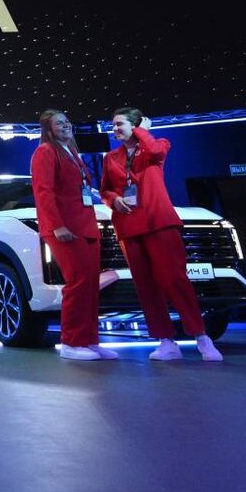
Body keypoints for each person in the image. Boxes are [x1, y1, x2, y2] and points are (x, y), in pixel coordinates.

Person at [101, 108, 222, 361]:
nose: (115, 129)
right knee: (145, 286)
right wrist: (114, 200)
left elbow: (156, 153)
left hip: (159, 222)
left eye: (120, 124)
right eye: (113, 125)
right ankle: (165, 340)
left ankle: (201, 336)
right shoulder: (111, 157)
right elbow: (106, 190)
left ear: (136, 125)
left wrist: (143, 132)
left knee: (175, 279)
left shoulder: (156, 145)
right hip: (129, 226)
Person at [30, 109, 117, 361]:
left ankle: (89, 340)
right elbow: (43, 192)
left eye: (67, 121)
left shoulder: (72, 153)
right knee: (78, 282)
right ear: (48, 130)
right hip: (65, 228)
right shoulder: (45, 152)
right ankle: (71, 342)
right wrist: (57, 225)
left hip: (85, 226)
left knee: (90, 285)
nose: (66, 125)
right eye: (59, 123)